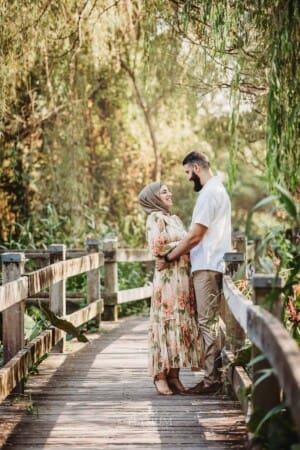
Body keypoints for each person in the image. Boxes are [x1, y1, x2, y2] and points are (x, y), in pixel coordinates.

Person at [156, 151, 232, 394]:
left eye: (189, 173)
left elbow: (195, 236)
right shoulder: (218, 190)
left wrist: (168, 257)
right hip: (213, 264)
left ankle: (211, 381)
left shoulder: (210, 193)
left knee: (207, 323)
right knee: (212, 322)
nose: (190, 179)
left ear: (197, 168)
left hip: (207, 266)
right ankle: (215, 376)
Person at [138, 181, 203, 396]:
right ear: (154, 198)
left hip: (182, 279)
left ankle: (175, 375)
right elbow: (157, 246)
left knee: (180, 323)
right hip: (167, 281)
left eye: (168, 190)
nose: (169, 194)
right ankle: (160, 376)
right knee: (165, 323)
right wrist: (183, 244)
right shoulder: (155, 218)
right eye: (164, 192)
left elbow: (190, 243)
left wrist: (184, 244)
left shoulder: (174, 219)